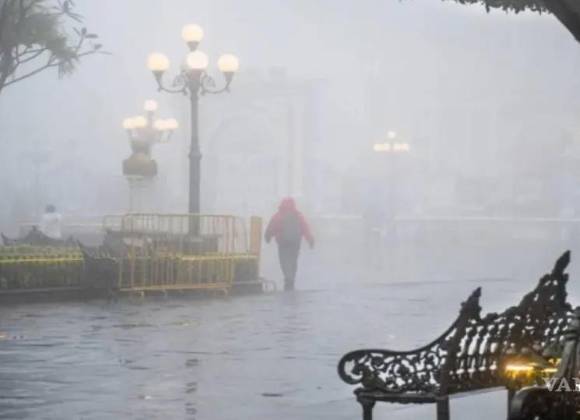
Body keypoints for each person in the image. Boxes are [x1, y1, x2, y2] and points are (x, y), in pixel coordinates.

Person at [265, 197, 314, 291]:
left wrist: (268, 236)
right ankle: (291, 278)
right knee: (293, 261)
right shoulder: (298, 215)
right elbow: (305, 228)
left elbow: (272, 227)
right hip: (295, 243)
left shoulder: (278, 215)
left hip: (283, 242)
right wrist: (310, 240)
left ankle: (288, 277)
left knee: (284, 261)